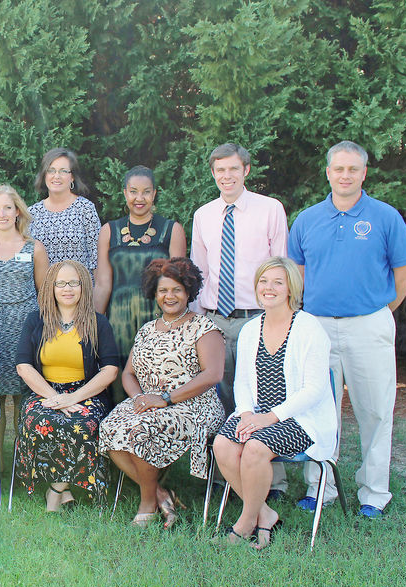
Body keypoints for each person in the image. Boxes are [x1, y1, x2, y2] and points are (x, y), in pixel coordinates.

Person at [288, 140, 406, 519]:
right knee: (318, 406)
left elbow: (405, 275)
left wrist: (376, 312)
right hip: (318, 326)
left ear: (364, 173)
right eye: (338, 168)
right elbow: (299, 276)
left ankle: (374, 493)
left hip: (368, 325)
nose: (345, 175)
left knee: (375, 410)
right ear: (328, 172)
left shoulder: (385, 216)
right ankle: (320, 487)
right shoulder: (308, 219)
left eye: (352, 169)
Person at [213, 257, 338, 548]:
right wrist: (245, 414)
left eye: (278, 282)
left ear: (291, 289)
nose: (269, 288)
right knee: (223, 444)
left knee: (255, 448)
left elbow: (315, 389)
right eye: (264, 282)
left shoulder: (310, 329)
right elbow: (242, 382)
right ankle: (265, 514)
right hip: (256, 414)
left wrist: (270, 417)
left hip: (299, 419)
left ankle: (244, 524)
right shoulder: (250, 329)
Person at [190, 143, 289, 498]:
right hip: (216, 318)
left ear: (246, 170)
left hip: (257, 318)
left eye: (233, 169)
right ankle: (224, 476)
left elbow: (281, 267)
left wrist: (278, 316)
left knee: (263, 394)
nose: (227, 176)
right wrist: (199, 321)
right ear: (213, 173)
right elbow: (198, 270)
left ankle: (272, 480)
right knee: (220, 395)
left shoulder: (269, 210)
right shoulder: (203, 214)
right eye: (220, 170)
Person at [98, 257, 225, 528]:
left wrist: (165, 399)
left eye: (177, 289)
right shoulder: (147, 330)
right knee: (110, 427)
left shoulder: (203, 327)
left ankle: (147, 505)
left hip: (195, 405)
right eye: (163, 290)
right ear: (154, 294)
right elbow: (128, 374)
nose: (170, 296)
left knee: (141, 430)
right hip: (150, 403)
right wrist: (139, 398)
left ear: (189, 292)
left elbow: (212, 374)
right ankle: (160, 494)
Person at [15, 260, 120, 512]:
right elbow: (23, 366)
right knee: (39, 419)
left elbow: (110, 369)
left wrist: (73, 398)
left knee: (81, 423)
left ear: (84, 287)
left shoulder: (98, 322)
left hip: (86, 393)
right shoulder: (35, 320)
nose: (67, 289)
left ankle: (56, 490)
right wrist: (55, 398)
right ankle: (66, 487)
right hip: (45, 392)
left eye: (74, 282)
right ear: (51, 287)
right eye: (60, 283)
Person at [94, 165, 186, 405]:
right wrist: (93, 323)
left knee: (157, 377)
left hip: (157, 318)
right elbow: (103, 283)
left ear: (154, 193)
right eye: (133, 191)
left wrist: (176, 325)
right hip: (118, 320)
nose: (139, 198)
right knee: (115, 378)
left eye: (146, 192)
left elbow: (179, 285)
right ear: (125, 193)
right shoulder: (108, 231)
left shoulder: (171, 230)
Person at [0, 184, 49, 452]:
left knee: (26, 393)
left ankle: (23, 454)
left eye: (8, 207)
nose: (2, 213)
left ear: (17, 212)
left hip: (26, 327)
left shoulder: (35, 247)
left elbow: (45, 295)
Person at [27, 147, 101, 275]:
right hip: (45, 292)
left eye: (63, 171)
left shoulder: (85, 209)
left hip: (80, 291)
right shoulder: (32, 213)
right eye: (51, 171)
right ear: (44, 175)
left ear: (72, 177)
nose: (57, 176)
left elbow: (96, 259)